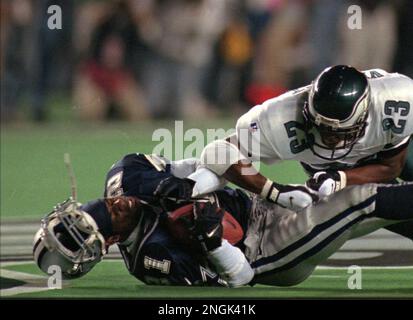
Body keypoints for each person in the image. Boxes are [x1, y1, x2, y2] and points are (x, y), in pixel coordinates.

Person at [33, 153, 413, 287]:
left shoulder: (126, 173)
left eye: (102, 202)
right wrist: (214, 242)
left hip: (261, 206)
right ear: (112, 241)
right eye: (112, 213)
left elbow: (214, 162)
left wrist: (190, 185)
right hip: (268, 252)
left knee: (370, 191)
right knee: (361, 200)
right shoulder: (152, 259)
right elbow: (242, 278)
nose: (117, 202)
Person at [181, 65, 413, 239]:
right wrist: (274, 191)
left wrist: (341, 178)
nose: (329, 138)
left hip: (389, 144)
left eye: (339, 132)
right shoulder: (279, 118)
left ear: (363, 117)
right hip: (331, 168)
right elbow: (218, 153)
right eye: (321, 128)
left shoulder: (398, 100)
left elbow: (391, 166)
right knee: (391, 211)